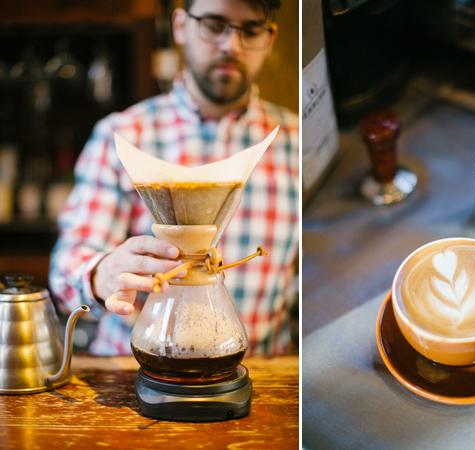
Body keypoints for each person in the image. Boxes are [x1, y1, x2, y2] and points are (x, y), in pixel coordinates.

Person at [49, 0, 298, 356]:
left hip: (263, 382)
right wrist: (99, 274)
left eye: (251, 30)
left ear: (270, 39)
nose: (231, 45)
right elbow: (64, 274)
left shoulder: (296, 142)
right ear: (180, 25)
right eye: (214, 25)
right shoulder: (121, 136)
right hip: (131, 377)